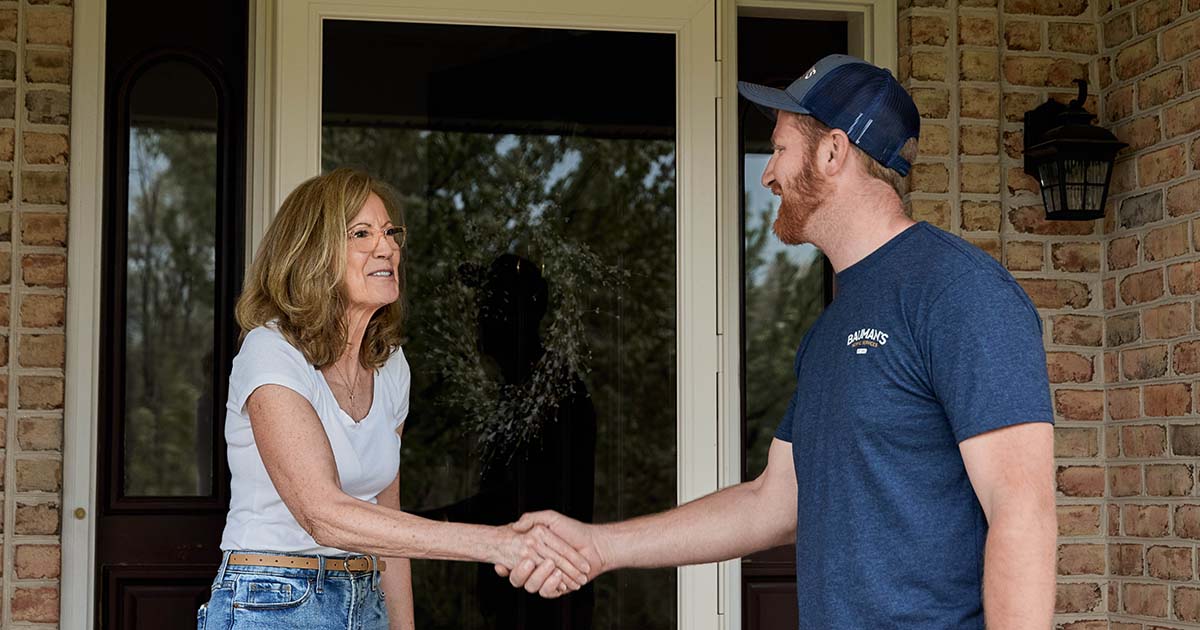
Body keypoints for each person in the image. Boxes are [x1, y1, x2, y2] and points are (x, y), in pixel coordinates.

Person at [502, 54, 1057, 628]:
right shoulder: (833, 326)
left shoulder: (959, 292)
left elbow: (1023, 514)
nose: (767, 174)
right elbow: (771, 501)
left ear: (833, 151)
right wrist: (599, 548)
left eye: (780, 149)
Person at [196, 168, 590, 630]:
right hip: (274, 601)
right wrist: (496, 543)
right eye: (361, 233)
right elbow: (325, 516)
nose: (387, 247)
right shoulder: (271, 352)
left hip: (365, 597)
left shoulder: (389, 364)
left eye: (389, 232)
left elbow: (388, 520)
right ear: (312, 254)